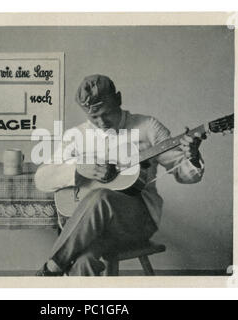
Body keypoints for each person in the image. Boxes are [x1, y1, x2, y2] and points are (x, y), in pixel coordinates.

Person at [34, 74, 205, 276]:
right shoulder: (77, 135)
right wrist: (78, 169)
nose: (101, 122)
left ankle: (50, 271)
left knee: (101, 196)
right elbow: (41, 178)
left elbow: (186, 175)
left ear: (119, 99)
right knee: (82, 260)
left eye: (106, 113)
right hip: (90, 227)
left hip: (136, 222)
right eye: (93, 118)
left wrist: (192, 156)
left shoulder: (148, 126)